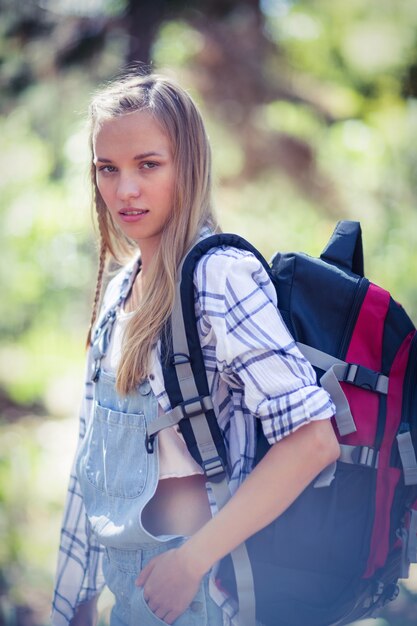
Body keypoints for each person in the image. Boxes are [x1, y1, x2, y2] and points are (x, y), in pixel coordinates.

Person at [51, 72, 339, 626]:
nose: (124, 190)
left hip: (200, 599)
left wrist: (191, 562)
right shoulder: (119, 290)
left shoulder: (219, 277)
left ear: (189, 164)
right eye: (107, 169)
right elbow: (90, 465)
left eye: (148, 164)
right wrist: (75, 604)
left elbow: (312, 441)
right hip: (129, 598)